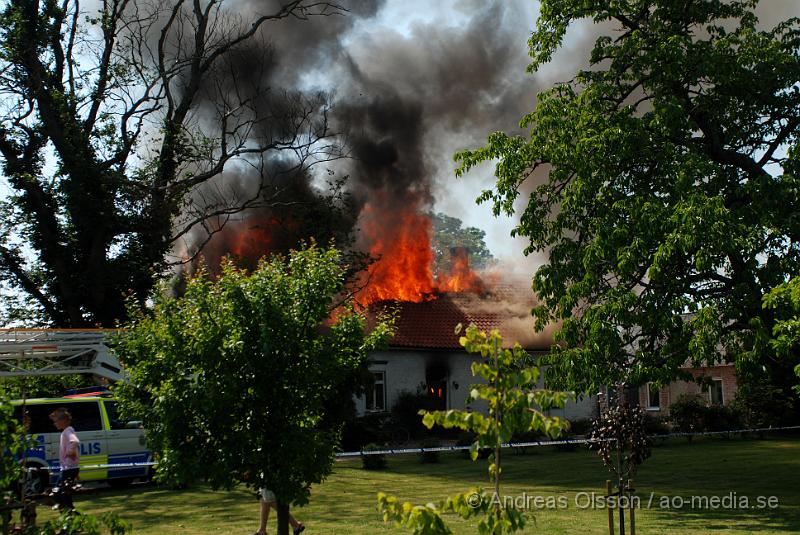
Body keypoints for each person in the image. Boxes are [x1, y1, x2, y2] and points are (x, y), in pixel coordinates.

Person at [49, 407, 80, 510]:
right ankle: (68, 511)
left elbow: (75, 441)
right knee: (61, 492)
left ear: (63, 421)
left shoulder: (68, 431)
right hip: (68, 468)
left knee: (60, 492)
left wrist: (69, 451)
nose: (55, 424)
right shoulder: (66, 431)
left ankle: (69, 512)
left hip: (69, 468)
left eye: (56, 421)